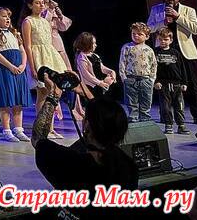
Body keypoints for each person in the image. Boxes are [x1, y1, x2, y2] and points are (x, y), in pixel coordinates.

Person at [32, 73, 138, 220]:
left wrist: (53, 96)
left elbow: (38, 137)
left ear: (87, 125)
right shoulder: (129, 166)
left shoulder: (71, 163)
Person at [147, 0, 197, 124]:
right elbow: (149, 28)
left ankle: (196, 114)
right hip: (163, 51)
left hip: (184, 52)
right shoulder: (156, 9)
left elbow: (196, 29)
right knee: (163, 83)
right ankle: (165, 115)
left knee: (191, 84)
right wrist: (163, 22)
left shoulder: (189, 10)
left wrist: (178, 17)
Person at [19, 0, 67, 139]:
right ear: (30, 5)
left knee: (53, 92)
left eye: (42, 3)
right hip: (37, 57)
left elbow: (49, 43)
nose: (41, 5)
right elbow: (28, 46)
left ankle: (51, 128)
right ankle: (43, 129)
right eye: (37, 3)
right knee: (43, 93)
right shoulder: (28, 21)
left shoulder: (45, 22)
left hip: (49, 56)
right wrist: (33, 67)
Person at [34, 0, 84, 121]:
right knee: (52, 81)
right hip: (46, 46)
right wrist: (49, 11)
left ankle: (76, 110)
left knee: (70, 76)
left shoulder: (53, 7)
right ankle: (54, 111)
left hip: (58, 44)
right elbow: (41, 25)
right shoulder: (37, 11)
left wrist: (59, 14)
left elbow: (64, 27)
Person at [0, 7, 32, 142]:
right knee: (5, 99)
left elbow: (22, 51)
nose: (7, 19)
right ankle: (6, 130)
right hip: (3, 68)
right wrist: (10, 66)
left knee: (18, 99)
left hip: (18, 68)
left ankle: (18, 129)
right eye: (4, 16)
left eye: (8, 16)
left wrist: (23, 65)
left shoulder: (14, 33)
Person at [153, 27, 191, 134]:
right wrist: (156, 81)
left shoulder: (176, 53)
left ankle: (181, 125)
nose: (163, 41)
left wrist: (184, 83)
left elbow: (182, 68)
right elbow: (152, 69)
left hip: (177, 84)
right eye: (160, 39)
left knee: (179, 106)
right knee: (165, 107)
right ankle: (168, 125)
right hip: (163, 85)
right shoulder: (155, 52)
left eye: (165, 39)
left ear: (171, 40)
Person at [118, 22, 157, 122]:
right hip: (131, 78)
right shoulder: (127, 47)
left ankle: (145, 118)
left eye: (139, 34)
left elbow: (153, 65)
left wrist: (152, 79)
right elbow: (122, 62)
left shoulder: (149, 50)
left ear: (147, 36)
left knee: (146, 100)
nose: (136, 36)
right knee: (131, 101)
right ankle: (133, 118)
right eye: (134, 33)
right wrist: (124, 77)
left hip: (145, 79)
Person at [74, 32, 117, 99]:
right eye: (93, 43)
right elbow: (86, 74)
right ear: (87, 44)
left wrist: (111, 71)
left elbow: (102, 68)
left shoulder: (95, 55)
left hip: (98, 83)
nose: (96, 45)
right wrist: (99, 83)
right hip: (90, 86)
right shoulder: (81, 57)